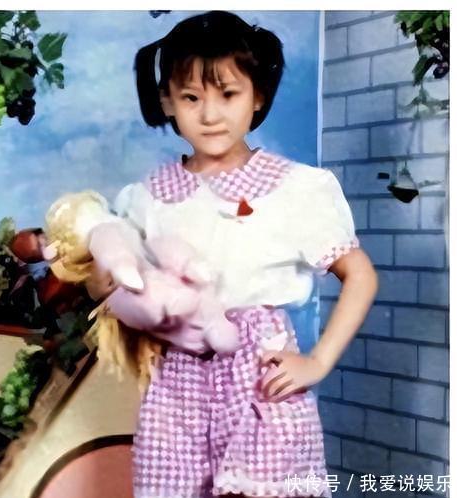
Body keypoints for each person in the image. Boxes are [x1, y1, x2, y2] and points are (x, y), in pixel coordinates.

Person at [86, 11, 378, 498]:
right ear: (167, 100)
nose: (210, 115)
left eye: (228, 94)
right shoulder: (148, 196)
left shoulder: (293, 188)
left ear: (257, 95)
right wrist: (105, 265)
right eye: (191, 97)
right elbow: (107, 284)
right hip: (177, 383)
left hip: (260, 377)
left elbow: (360, 275)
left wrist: (318, 361)